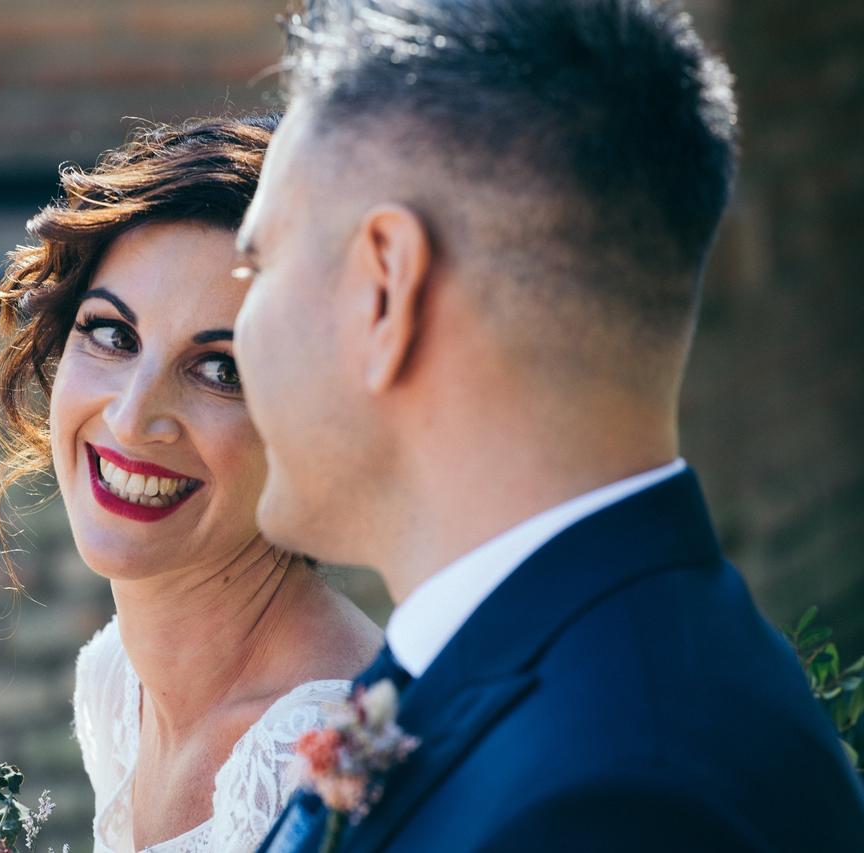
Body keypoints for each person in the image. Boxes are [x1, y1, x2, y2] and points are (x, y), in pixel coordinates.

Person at [232, 1, 864, 850]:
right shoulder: (583, 661)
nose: (238, 336)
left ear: (384, 290)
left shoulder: (612, 801)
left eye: (258, 263)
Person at [0, 114, 382, 853]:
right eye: (112, 334)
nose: (133, 419)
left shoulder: (331, 764)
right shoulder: (116, 684)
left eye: (221, 370)